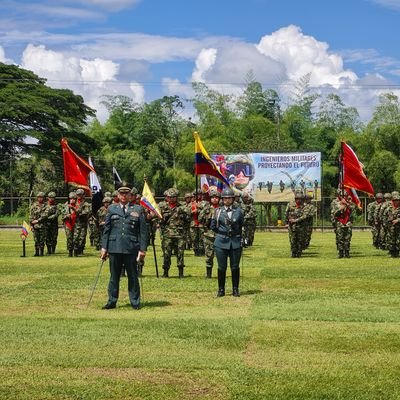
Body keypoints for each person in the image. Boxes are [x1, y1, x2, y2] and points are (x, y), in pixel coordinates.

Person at [100, 185, 148, 310]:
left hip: (131, 247)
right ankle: (112, 301)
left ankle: (135, 301)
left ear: (130, 196)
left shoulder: (138, 209)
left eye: (126, 194)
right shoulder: (112, 208)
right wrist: (104, 247)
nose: (124, 196)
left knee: (132, 276)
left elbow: (143, 231)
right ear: (118, 195)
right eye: (121, 194)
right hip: (114, 247)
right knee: (114, 276)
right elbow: (107, 230)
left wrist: (142, 249)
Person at [211, 187, 244, 297]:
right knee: (222, 267)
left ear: (233, 199)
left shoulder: (239, 211)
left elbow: (242, 225)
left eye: (229, 198)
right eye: (225, 198)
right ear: (222, 199)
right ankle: (221, 290)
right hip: (221, 242)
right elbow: (213, 226)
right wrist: (222, 233)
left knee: (235, 266)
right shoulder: (217, 211)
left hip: (235, 241)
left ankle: (235, 289)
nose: (227, 200)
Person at [158, 188, 189, 278]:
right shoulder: (162, 207)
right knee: (166, 254)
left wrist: (184, 230)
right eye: (170, 197)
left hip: (179, 234)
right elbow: (159, 220)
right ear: (167, 197)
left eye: (174, 197)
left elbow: (188, 219)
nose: (172, 199)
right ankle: (165, 272)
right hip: (167, 234)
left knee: (180, 254)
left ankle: (180, 272)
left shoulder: (182, 207)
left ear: (177, 197)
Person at [198, 188, 220, 278]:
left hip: (220, 235)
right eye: (213, 197)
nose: (215, 199)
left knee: (220, 255)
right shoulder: (206, 209)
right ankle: (209, 274)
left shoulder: (222, 209)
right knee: (209, 255)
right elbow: (200, 219)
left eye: (216, 197)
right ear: (210, 199)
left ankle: (221, 272)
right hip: (208, 235)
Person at [285, 191, 305, 258]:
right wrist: (287, 222)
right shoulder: (290, 204)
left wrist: (296, 220)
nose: (300, 200)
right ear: (296, 199)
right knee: (292, 240)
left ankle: (299, 253)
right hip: (291, 226)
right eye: (298, 199)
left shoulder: (304, 206)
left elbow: (304, 216)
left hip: (301, 226)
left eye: (301, 199)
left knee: (300, 240)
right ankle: (293, 253)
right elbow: (286, 213)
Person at [74, 188, 91, 256]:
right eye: (78, 195)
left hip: (83, 222)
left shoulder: (86, 204)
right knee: (75, 237)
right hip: (75, 223)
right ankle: (75, 249)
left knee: (82, 237)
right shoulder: (74, 203)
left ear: (83, 195)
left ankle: (80, 250)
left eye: (81, 195)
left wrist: (78, 212)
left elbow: (86, 212)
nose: (79, 196)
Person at [29, 191, 47, 256]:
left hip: (43, 225)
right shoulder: (34, 205)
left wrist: (38, 220)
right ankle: (36, 252)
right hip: (35, 226)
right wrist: (31, 224)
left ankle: (41, 252)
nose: (40, 199)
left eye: (41, 197)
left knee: (42, 240)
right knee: (36, 239)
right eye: (39, 197)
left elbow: (45, 215)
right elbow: (31, 215)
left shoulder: (45, 206)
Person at [61, 192, 78, 257]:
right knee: (69, 238)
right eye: (71, 199)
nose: (72, 200)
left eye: (74, 199)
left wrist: (73, 209)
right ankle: (70, 252)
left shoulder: (77, 206)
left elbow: (80, 213)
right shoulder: (65, 207)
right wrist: (66, 216)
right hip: (68, 224)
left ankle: (76, 251)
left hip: (76, 224)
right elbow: (62, 217)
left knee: (76, 238)